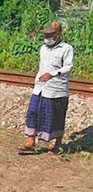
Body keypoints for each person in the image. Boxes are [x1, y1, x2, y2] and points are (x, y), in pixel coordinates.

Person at [19, 21, 74, 154]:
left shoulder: (67, 48)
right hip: (40, 87)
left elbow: (68, 67)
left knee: (57, 116)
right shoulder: (43, 48)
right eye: (45, 35)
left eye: (50, 35)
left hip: (56, 89)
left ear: (58, 35)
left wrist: (53, 74)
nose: (46, 38)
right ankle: (31, 141)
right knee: (33, 112)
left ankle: (58, 144)